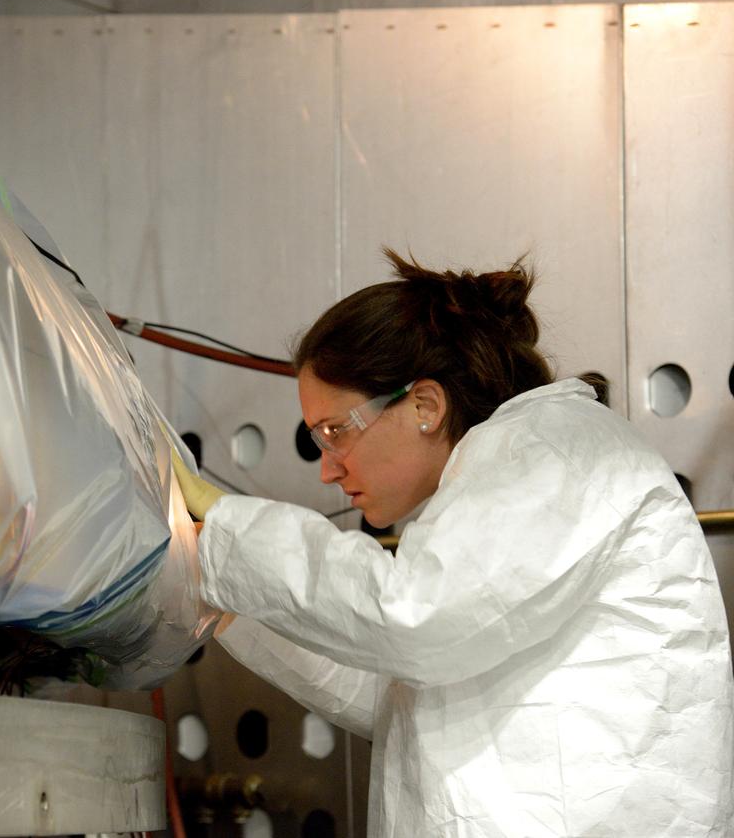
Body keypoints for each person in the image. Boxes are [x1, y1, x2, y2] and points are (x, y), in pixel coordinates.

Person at [173, 250, 734, 837]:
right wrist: (229, 597)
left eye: (335, 432)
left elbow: (415, 618)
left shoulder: (552, 449)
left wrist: (229, 529)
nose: (328, 469)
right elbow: (398, 698)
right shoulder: (494, 485)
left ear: (425, 405)